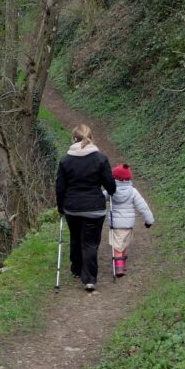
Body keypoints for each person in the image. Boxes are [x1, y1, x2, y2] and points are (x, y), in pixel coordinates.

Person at [56, 124, 116, 292]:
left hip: (72, 207)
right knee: (90, 242)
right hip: (94, 208)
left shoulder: (65, 160)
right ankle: (89, 278)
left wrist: (61, 207)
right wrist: (108, 190)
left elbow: (60, 188)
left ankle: (76, 269)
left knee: (75, 237)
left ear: (74, 138)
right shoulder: (101, 158)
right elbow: (110, 186)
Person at [109, 163, 154, 276]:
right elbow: (143, 207)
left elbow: (99, 197)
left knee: (117, 245)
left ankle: (118, 267)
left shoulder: (111, 191)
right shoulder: (133, 191)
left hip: (116, 224)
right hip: (128, 224)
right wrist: (149, 221)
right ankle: (122, 264)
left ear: (114, 177)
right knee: (124, 244)